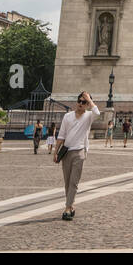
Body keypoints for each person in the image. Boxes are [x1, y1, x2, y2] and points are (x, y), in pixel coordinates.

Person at [56, 92, 101, 221]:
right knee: (67, 181)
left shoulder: (88, 116)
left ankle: (67, 208)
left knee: (74, 182)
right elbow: (61, 135)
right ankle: (71, 206)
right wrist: (55, 152)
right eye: (79, 101)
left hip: (80, 152)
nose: (81, 104)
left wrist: (89, 100)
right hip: (66, 152)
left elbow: (97, 113)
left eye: (84, 102)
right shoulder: (68, 116)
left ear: (87, 105)